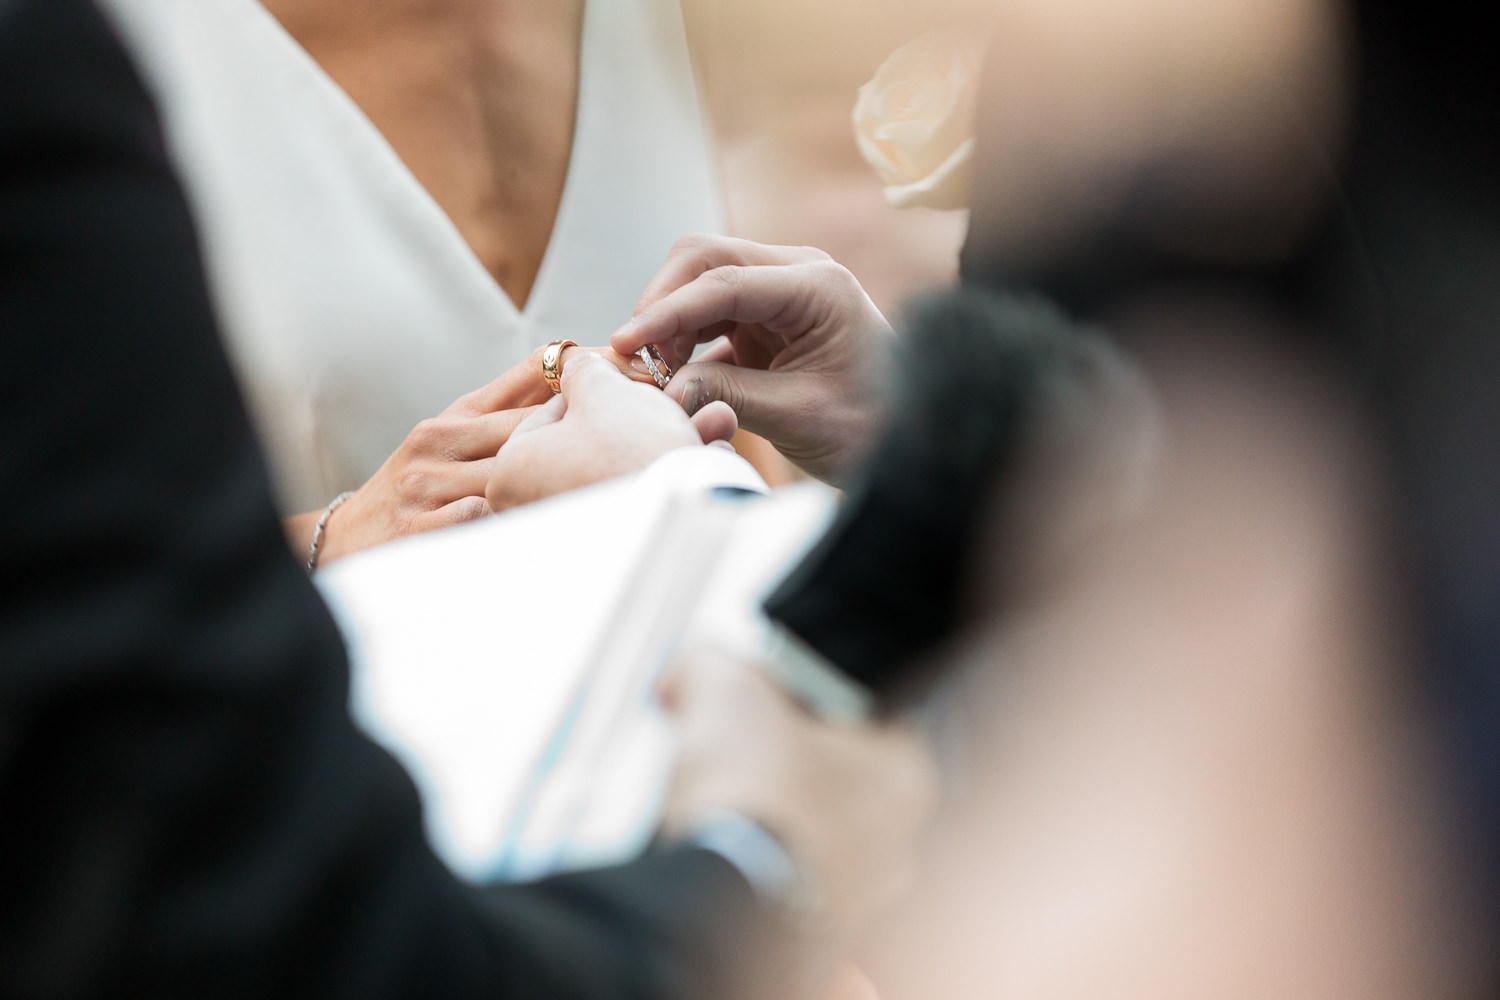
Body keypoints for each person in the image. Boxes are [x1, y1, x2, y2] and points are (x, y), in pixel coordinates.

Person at [0, 3, 936, 998]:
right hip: (329, 897)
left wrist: (883, 431)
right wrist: (330, 543)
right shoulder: (69, 52)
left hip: (664, 858)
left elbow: (748, 447)